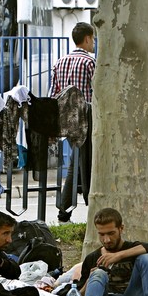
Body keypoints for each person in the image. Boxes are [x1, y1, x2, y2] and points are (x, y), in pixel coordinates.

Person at [53, 22, 96, 223]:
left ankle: (65, 209)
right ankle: (84, 206)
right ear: (87, 38)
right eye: (93, 39)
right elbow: (98, 92)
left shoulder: (60, 62)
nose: (93, 43)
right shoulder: (90, 63)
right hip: (87, 117)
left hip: (68, 121)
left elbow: (54, 94)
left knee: (77, 161)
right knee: (87, 162)